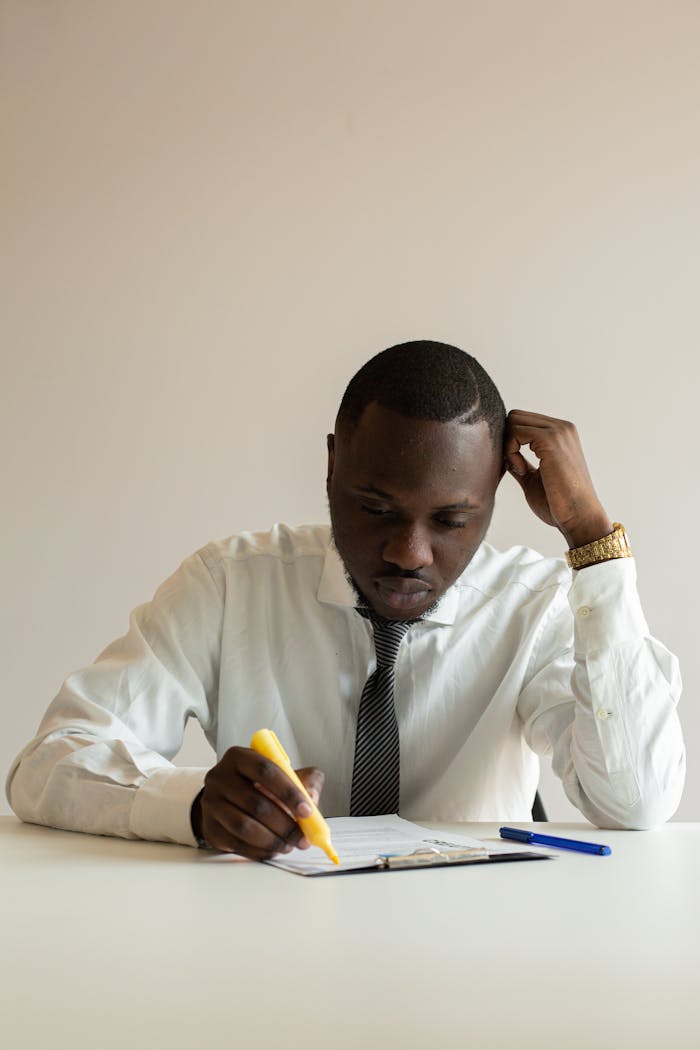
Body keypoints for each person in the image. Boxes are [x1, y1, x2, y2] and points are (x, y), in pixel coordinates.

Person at [6, 341, 684, 859]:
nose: (408, 554)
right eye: (375, 507)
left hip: (475, 961)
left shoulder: (534, 607)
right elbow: (49, 764)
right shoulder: (229, 584)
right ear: (332, 465)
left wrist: (592, 539)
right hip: (263, 957)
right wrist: (191, 804)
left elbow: (636, 802)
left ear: (493, 500)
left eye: (450, 521)